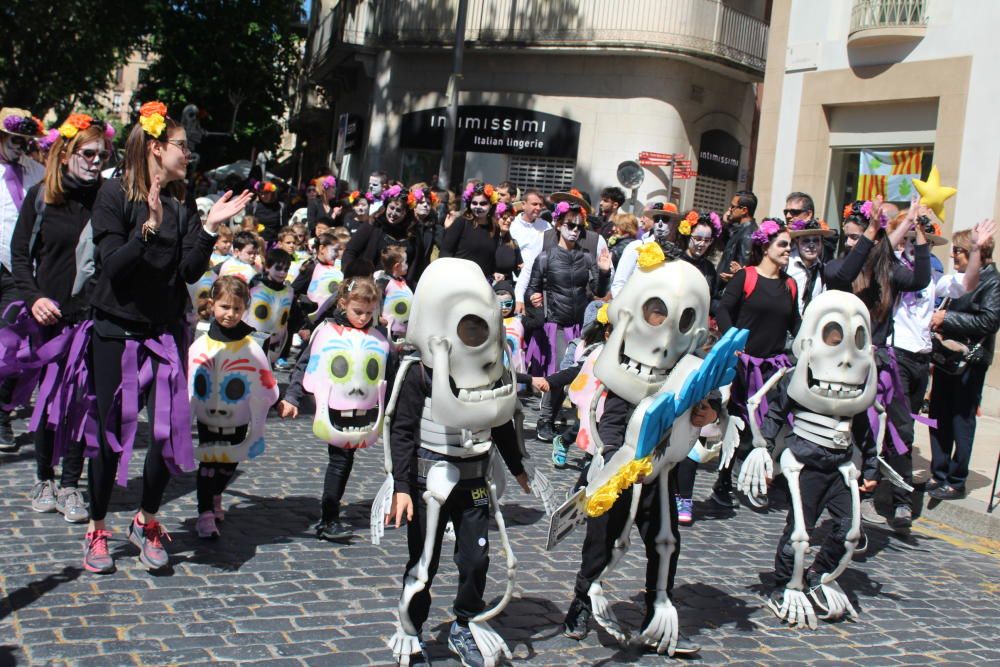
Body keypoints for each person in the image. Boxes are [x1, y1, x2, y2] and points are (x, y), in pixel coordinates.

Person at [81, 100, 252, 573]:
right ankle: (97, 527)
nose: (188, 153)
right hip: (114, 331)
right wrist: (148, 231)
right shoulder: (113, 196)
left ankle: (147, 518)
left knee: (164, 433)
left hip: (160, 335)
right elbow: (113, 268)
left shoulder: (180, 208)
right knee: (110, 433)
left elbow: (188, 272)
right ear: (156, 148)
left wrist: (210, 228)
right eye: (181, 145)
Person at [381, 258, 529, 667]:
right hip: (429, 480)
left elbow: (498, 420)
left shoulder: (491, 373)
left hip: (474, 479)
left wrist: (516, 465)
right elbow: (402, 430)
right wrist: (402, 488)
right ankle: (410, 631)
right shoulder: (418, 374)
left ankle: (465, 623)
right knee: (423, 561)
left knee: (477, 557)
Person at [9, 112, 114, 521]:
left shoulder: (109, 198)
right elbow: (20, 257)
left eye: (102, 155)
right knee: (51, 400)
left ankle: (72, 483)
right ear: (67, 153)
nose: (95, 161)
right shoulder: (42, 197)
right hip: (49, 319)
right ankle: (44, 477)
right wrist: (33, 298)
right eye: (88, 153)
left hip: (92, 317)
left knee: (84, 402)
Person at [826, 199, 930, 525]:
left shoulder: (890, 274)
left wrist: (921, 232)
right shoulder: (836, 269)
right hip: (843, 363)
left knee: (899, 429)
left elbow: (921, 280)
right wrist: (871, 231)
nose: (853, 243)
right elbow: (846, 272)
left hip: (882, 362)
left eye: (859, 237)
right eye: (851, 238)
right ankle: (838, 497)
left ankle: (894, 497)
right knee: (848, 434)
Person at [280, 277, 389, 540]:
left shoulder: (378, 337)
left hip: (363, 410)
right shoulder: (326, 333)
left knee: (345, 460)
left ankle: (330, 515)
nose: (363, 318)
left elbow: (390, 371)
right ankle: (328, 519)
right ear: (343, 304)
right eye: (357, 312)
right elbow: (305, 364)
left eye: (368, 313)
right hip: (335, 409)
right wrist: (292, 397)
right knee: (340, 461)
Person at [712, 218, 800, 509]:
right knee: (739, 425)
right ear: (766, 247)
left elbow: (795, 324)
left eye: (790, 245)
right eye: (783, 244)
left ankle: (757, 480)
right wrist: (734, 343)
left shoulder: (790, 285)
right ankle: (723, 482)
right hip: (743, 365)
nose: (789, 250)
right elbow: (723, 309)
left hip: (773, 369)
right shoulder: (746, 276)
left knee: (767, 427)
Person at [188, 276, 278, 539]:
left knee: (229, 461)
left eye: (237, 309)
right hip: (208, 413)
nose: (230, 314)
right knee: (208, 460)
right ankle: (204, 513)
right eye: (225, 307)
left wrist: (272, 400)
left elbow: (265, 376)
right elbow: (191, 373)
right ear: (213, 304)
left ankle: (216, 492)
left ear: (245, 309)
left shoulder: (253, 342)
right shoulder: (202, 339)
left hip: (238, 415)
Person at [526, 191, 612, 442]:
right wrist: (533, 299)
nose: (575, 231)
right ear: (558, 225)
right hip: (556, 322)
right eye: (569, 225)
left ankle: (577, 425)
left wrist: (604, 271)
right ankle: (545, 420)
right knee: (557, 375)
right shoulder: (546, 257)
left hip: (581, 325)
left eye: (579, 226)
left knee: (579, 373)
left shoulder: (586, 257)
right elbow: (532, 286)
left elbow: (598, 291)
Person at [927, 223, 999, 500]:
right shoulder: (959, 279)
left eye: (958, 251)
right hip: (948, 358)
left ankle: (957, 479)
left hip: (969, 362)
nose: (953, 256)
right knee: (938, 416)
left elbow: (989, 321)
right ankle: (939, 472)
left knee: (961, 420)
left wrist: (947, 318)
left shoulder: (992, 281)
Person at [0, 107, 46, 451]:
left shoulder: (37, 174)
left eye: (25, 141)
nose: (21, 147)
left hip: (18, 271)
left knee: (10, 346)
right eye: (15, 140)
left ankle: (1, 414)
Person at [611, 202, 682, 297]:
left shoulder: (677, 255)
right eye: (656, 219)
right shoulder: (636, 247)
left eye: (665, 219)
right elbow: (619, 284)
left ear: (674, 224)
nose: (660, 224)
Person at [341, 184, 412, 278]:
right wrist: (349, 276)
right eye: (391, 208)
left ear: (405, 213)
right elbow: (350, 251)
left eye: (398, 210)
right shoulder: (373, 224)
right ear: (386, 207)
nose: (393, 213)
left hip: (395, 287)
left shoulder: (410, 233)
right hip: (367, 283)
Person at [245, 248, 294, 365]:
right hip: (251, 339)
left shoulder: (289, 291)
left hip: (274, 343)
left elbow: (288, 320)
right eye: (278, 268)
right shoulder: (254, 286)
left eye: (286, 269)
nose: (282, 273)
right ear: (267, 267)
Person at [440, 181, 499, 278]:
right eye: (474, 203)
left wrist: (495, 272)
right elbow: (445, 252)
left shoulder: (495, 228)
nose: (478, 207)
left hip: (481, 282)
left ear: (491, 205)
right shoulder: (461, 222)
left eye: (483, 203)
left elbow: (490, 259)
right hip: (458, 278)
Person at [510, 189, 550, 312]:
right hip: (513, 281)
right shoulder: (512, 225)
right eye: (534, 204)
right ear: (523, 204)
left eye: (540, 205)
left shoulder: (546, 226)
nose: (538, 208)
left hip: (535, 286)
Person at [716, 190, 758, 291]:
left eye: (733, 206)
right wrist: (726, 224)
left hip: (726, 292)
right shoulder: (740, 229)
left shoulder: (748, 234)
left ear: (744, 210)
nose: (729, 209)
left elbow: (743, 268)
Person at [405, 184, 440, 285]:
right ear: (413, 206)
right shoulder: (406, 225)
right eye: (421, 202)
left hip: (421, 277)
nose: (426, 205)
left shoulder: (433, 227)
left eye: (428, 203)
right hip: (404, 273)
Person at [493, 202, 523, 284]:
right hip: (488, 285)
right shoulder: (486, 240)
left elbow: (519, 271)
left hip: (507, 288)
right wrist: (493, 274)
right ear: (495, 218)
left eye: (511, 218)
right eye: (504, 217)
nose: (509, 220)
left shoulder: (513, 243)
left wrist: (523, 269)